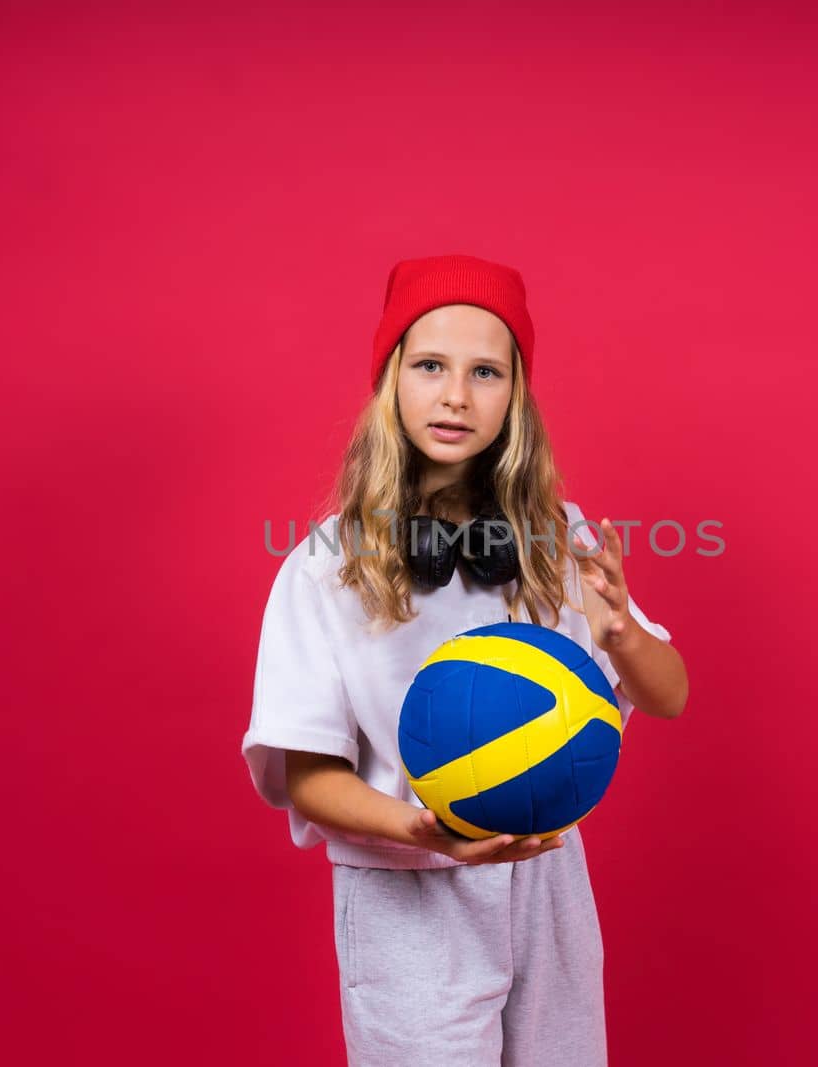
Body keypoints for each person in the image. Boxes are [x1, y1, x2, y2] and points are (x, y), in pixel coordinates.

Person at [242, 253, 689, 1064]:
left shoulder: (563, 542)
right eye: (430, 366)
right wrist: (427, 830)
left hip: (547, 883)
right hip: (406, 888)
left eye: (486, 370)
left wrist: (622, 629)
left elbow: (669, 694)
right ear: (391, 383)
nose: (456, 394)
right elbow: (306, 775)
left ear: (516, 394)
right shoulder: (324, 566)